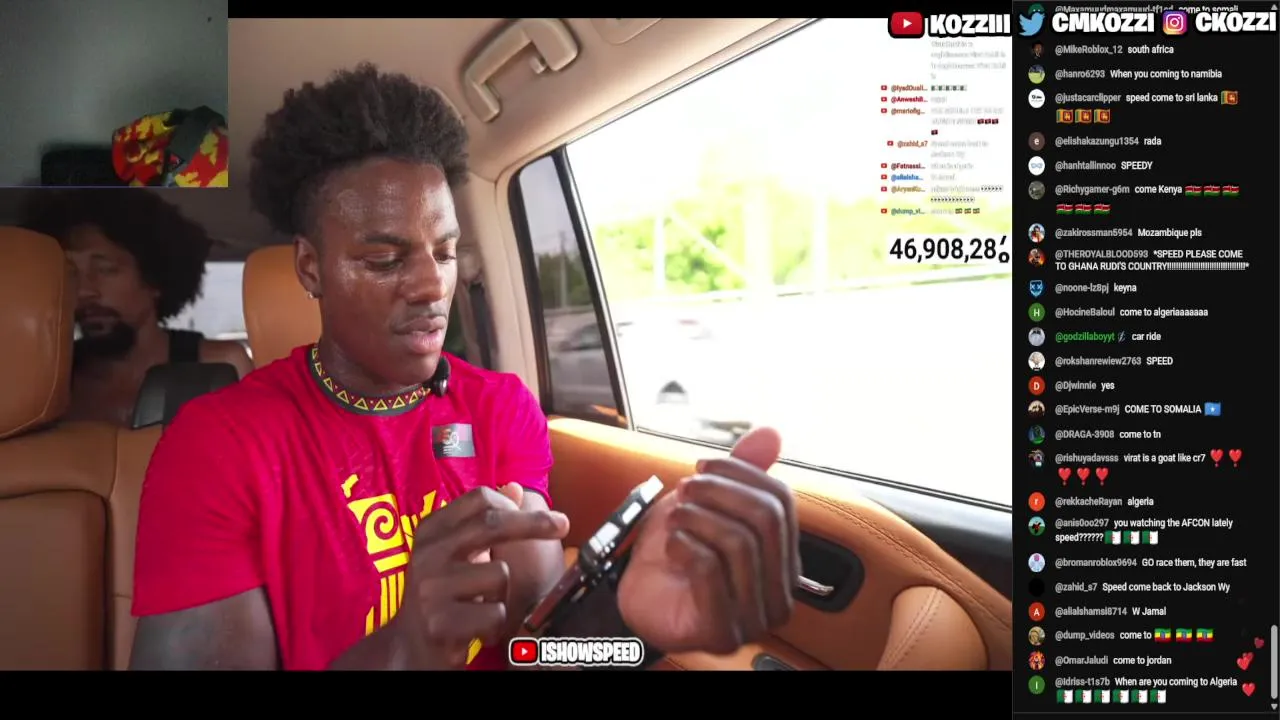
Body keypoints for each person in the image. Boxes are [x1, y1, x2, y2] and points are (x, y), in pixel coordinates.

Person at [128, 63, 800, 671]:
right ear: (312, 267)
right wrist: (403, 648)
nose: (431, 285)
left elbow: (534, 656)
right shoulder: (217, 446)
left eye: (445, 252)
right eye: (385, 259)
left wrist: (628, 622)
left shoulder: (497, 408)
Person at [19, 190, 254, 425]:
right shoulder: (44, 381)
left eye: (105, 270)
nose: (83, 290)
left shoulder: (221, 364)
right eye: (69, 273)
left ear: (155, 279)